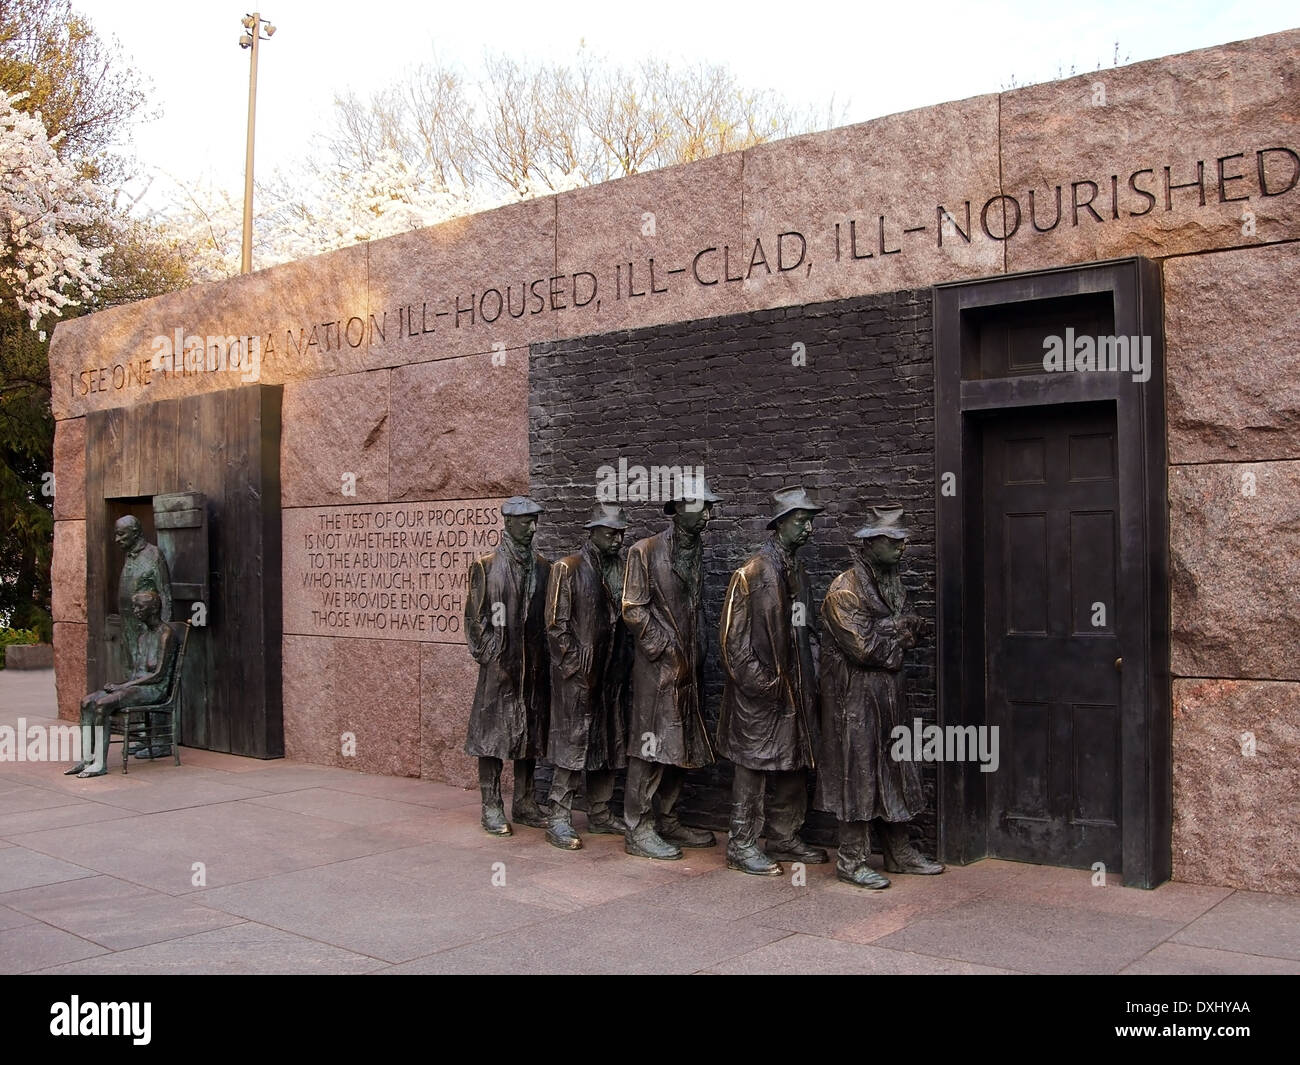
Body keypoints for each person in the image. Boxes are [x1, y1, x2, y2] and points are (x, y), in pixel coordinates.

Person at [816, 505, 943, 889]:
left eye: (902, 541)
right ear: (870, 544)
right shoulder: (844, 590)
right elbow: (864, 647)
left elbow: (915, 629)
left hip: (889, 696)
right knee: (859, 775)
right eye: (892, 541)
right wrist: (897, 636)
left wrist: (897, 631)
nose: (901, 548)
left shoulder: (893, 583)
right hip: (853, 700)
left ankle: (899, 852)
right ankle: (851, 859)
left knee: (895, 770)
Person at [717, 486, 828, 876]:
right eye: (802, 520)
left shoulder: (798, 571)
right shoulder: (751, 574)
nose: (809, 528)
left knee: (794, 762)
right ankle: (741, 843)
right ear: (781, 524)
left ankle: (784, 835)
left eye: (811, 520)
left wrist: (809, 672)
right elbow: (733, 643)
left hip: (795, 689)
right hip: (759, 696)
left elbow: (806, 628)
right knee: (753, 767)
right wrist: (764, 685)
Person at [620, 474, 721, 860]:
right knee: (649, 747)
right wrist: (663, 646)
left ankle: (666, 815)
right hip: (658, 671)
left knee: (682, 745)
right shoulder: (644, 552)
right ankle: (638, 826)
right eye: (702, 506)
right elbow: (633, 607)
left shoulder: (695, 550)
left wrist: (696, 650)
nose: (709, 515)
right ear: (679, 510)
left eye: (710, 507)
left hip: (688, 668)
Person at [543, 504, 633, 850]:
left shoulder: (623, 569)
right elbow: (555, 625)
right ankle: (559, 815)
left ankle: (599, 811)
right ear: (592, 531)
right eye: (611, 533)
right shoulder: (569, 568)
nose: (617, 539)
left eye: (621, 533)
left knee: (607, 741)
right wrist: (573, 668)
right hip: (578, 677)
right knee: (572, 744)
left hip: (611, 672)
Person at [464, 496, 552, 835]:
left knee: (528, 734)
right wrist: (491, 654)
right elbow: (475, 617)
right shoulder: (486, 566)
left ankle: (526, 802)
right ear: (508, 523)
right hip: (500, 668)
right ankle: (491, 804)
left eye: (535, 521)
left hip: (532, 667)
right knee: (492, 738)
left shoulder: (544, 567)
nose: (532, 527)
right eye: (526, 521)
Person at [67, 590, 178, 778]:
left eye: (139, 607)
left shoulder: (166, 634)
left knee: (102, 704)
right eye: (134, 606)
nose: (135, 611)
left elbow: (158, 675)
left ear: (153, 609)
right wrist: (121, 685)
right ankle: (86, 758)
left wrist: (122, 687)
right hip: (136, 686)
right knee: (87, 702)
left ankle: (100, 763)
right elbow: (136, 673)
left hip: (154, 689)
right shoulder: (143, 636)